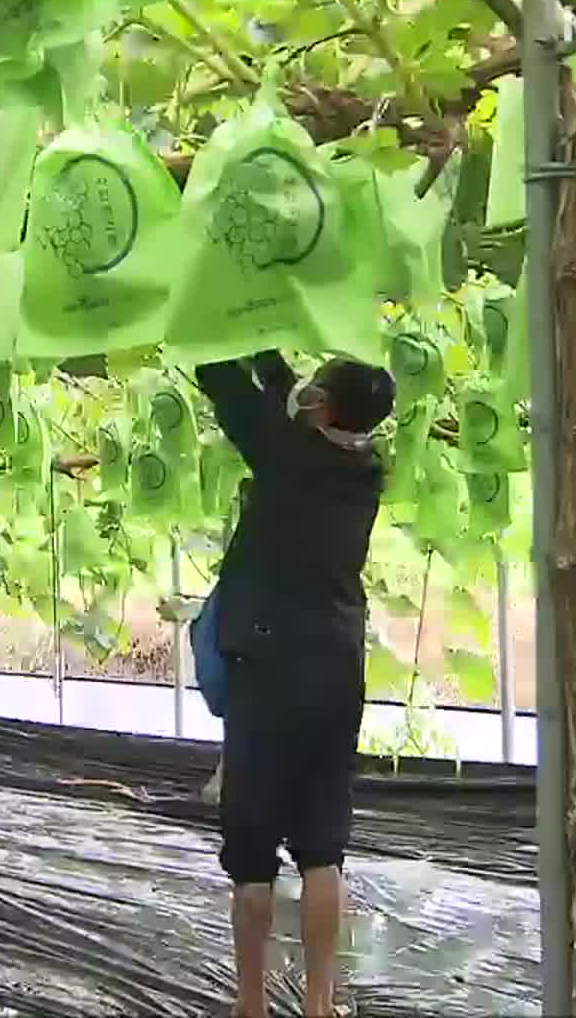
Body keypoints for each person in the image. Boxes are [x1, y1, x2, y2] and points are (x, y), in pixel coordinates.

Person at [192, 350, 394, 1018]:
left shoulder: (286, 454)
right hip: (335, 666)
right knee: (322, 845)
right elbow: (292, 419)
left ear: (323, 407)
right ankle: (318, 1005)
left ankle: (250, 1004)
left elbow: (219, 382)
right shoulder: (366, 472)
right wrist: (277, 369)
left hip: (269, 665)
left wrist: (229, 330)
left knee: (252, 855)